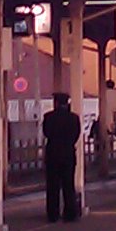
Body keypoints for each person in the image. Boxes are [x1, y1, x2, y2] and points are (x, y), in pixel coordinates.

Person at [43, 90, 81, 222]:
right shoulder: (74, 118)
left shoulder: (48, 117)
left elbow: (46, 133)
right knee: (68, 184)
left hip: (53, 155)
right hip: (68, 154)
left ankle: (53, 214)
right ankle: (70, 213)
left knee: (52, 186)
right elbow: (76, 135)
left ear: (56, 103)